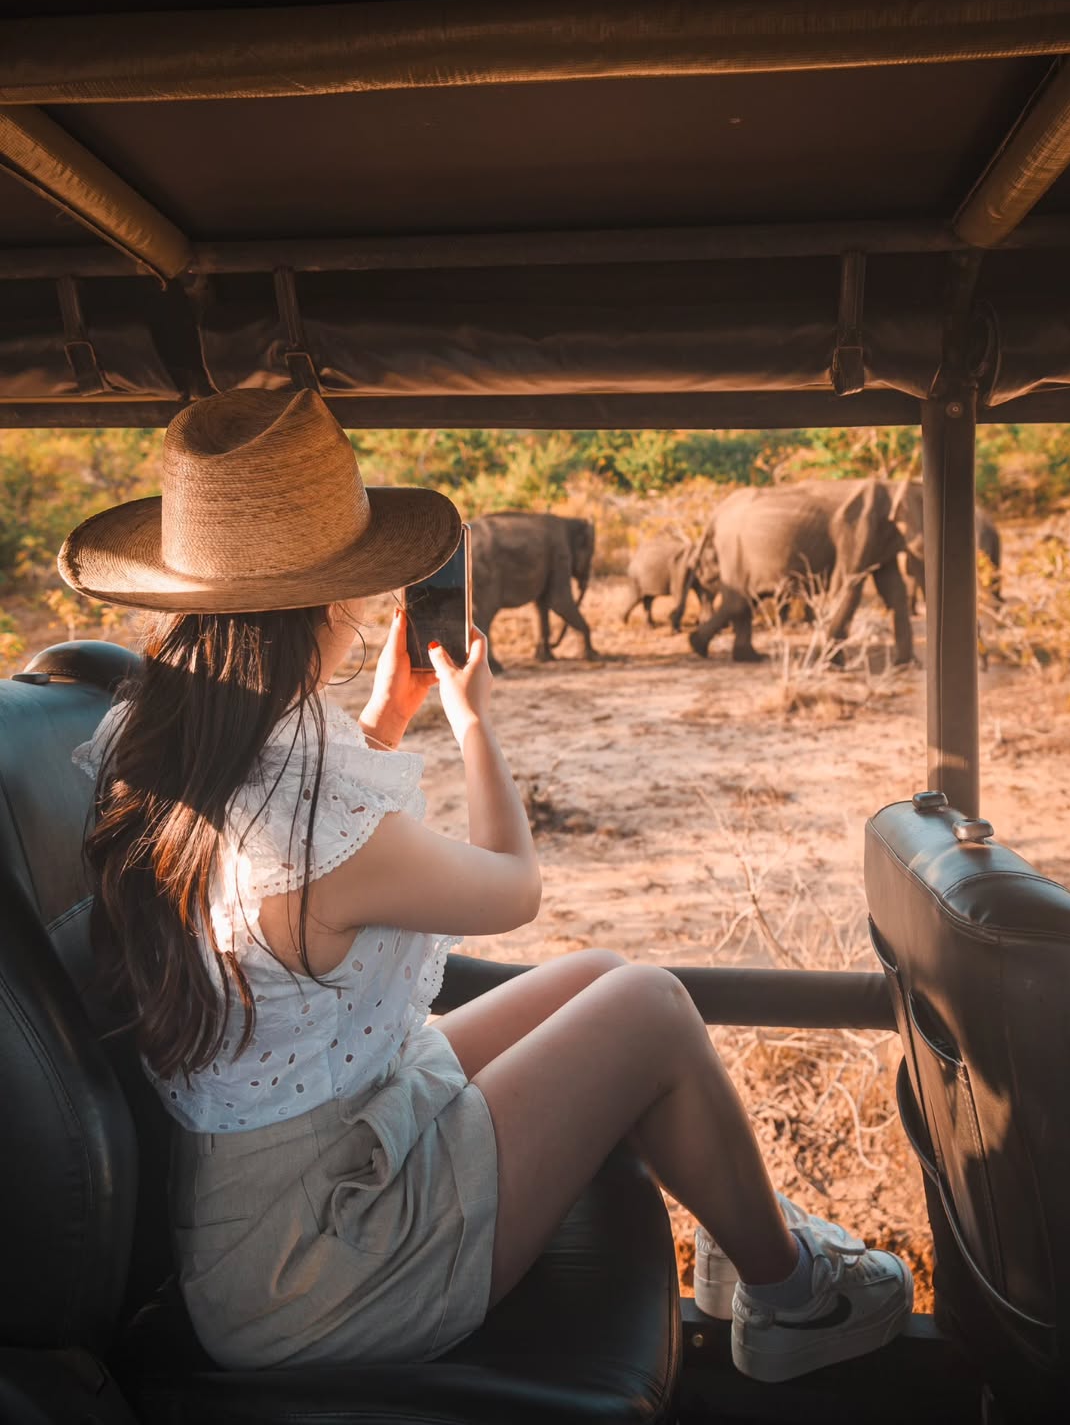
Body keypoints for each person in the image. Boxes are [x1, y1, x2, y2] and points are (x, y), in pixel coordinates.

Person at [61, 388, 912, 1384]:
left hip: (277, 1200)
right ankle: (796, 1295)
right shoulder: (308, 811)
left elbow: (285, 871)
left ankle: (746, 1229)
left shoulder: (157, 742)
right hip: (324, 1262)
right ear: (336, 603)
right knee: (648, 1004)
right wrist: (472, 724)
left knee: (599, 973)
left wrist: (384, 717)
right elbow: (513, 884)